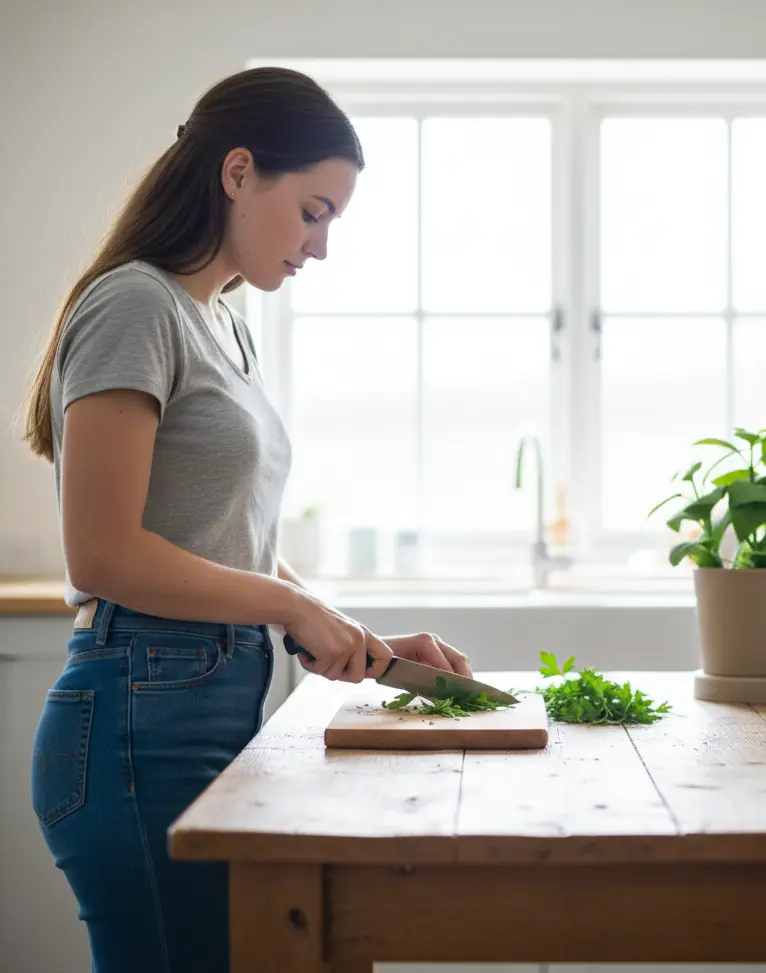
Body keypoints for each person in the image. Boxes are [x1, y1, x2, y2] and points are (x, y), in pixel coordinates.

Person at [22, 66, 472, 973]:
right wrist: (284, 605)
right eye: (312, 211)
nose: (320, 245)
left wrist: (361, 639)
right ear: (237, 172)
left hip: (202, 701)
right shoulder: (136, 303)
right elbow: (103, 552)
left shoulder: (222, 320)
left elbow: (233, 543)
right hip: (136, 716)